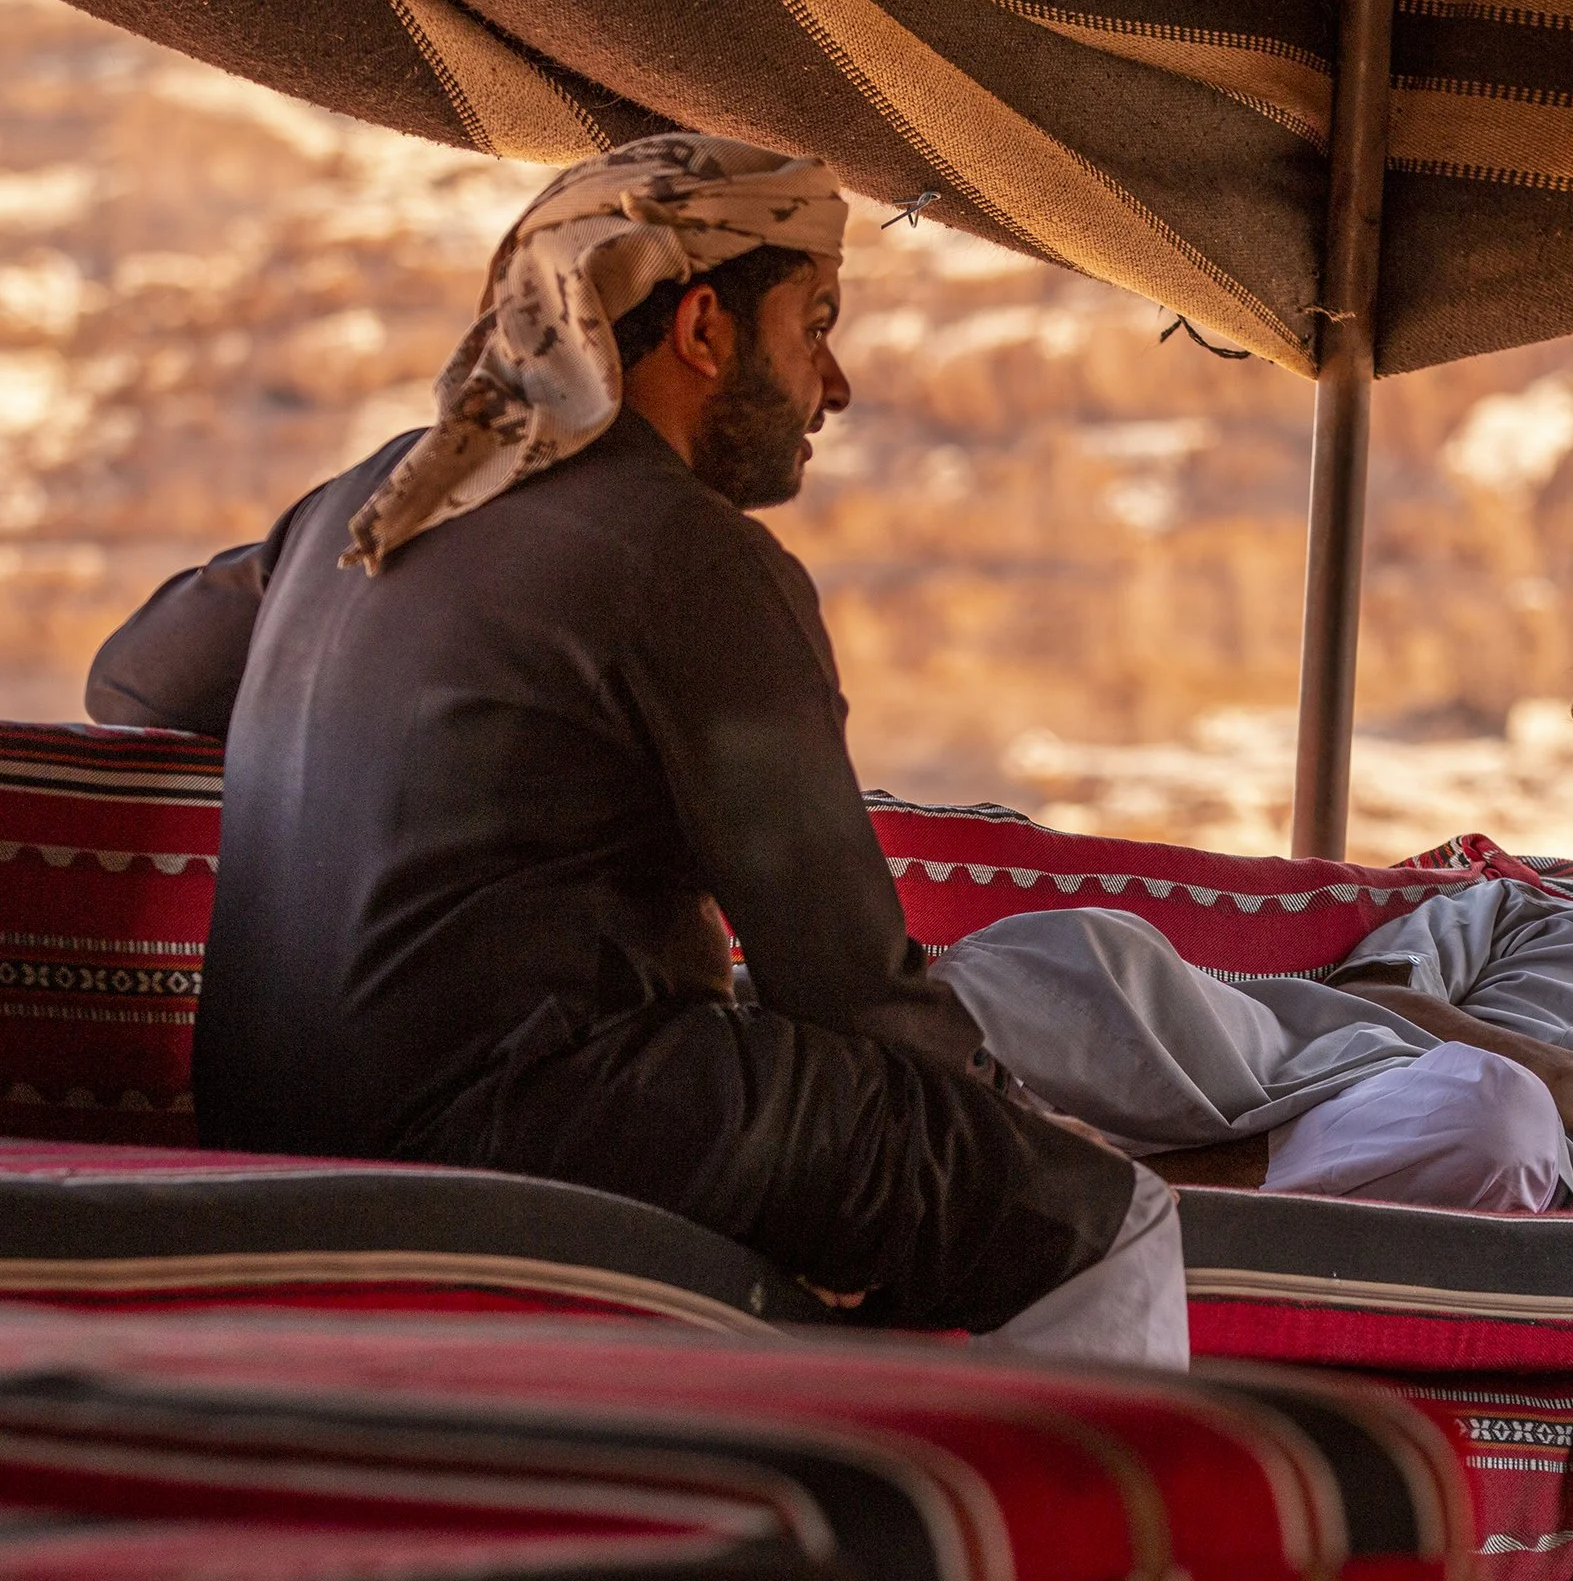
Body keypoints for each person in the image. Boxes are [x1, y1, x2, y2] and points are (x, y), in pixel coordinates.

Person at [83, 135, 1184, 1366]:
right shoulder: (689, 554)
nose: (837, 383)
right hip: (532, 1124)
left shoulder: (374, 500)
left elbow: (131, 678)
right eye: (813, 324)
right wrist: (1011, 1134)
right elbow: (848, 983)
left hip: (266, 1112)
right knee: (1101, 1215)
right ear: (703, 328)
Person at [935, 618, 1573, 1208]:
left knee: (1495, 1116)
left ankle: (1124, 1184)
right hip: (1316, 1073)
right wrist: (1565, 1072)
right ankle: (857, 1070)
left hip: (1504, 1163)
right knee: (1092, 951)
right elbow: (1368, 994)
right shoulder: (1510, 908)